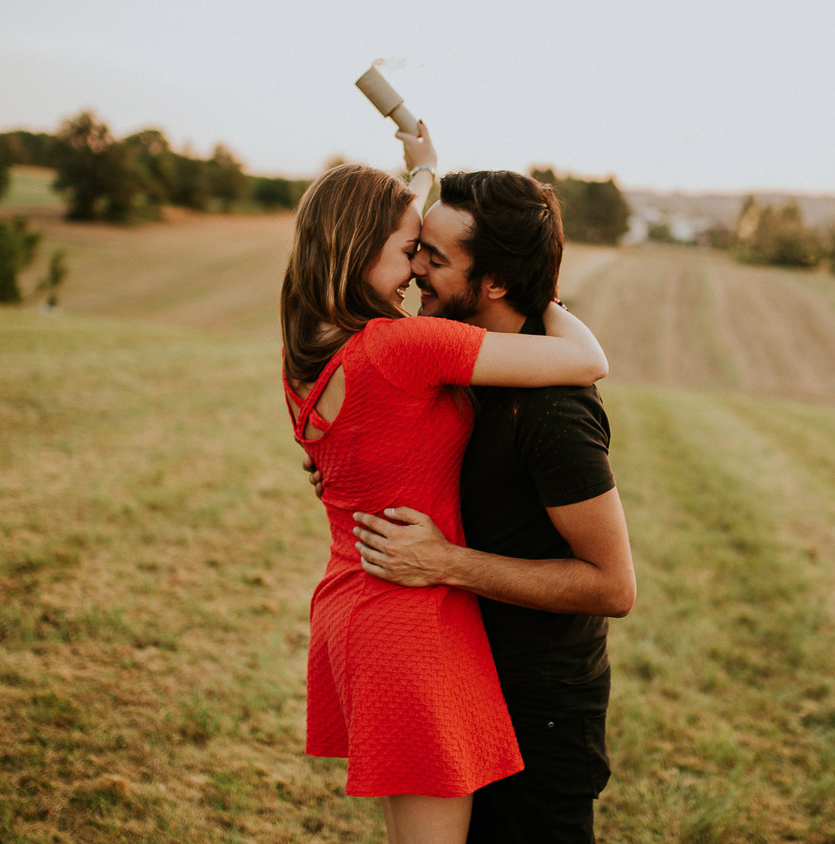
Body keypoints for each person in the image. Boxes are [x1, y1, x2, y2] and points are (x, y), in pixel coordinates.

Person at [280, 124, 610, 844]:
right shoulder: (405, 347)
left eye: (429, 257)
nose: (416, 273)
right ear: (362, 253)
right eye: (410, 254)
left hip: (351, 612)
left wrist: (422, 169)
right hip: (413, 630)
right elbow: (588, 360)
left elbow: (384, 230)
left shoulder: (305, 349)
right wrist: (541, 291)